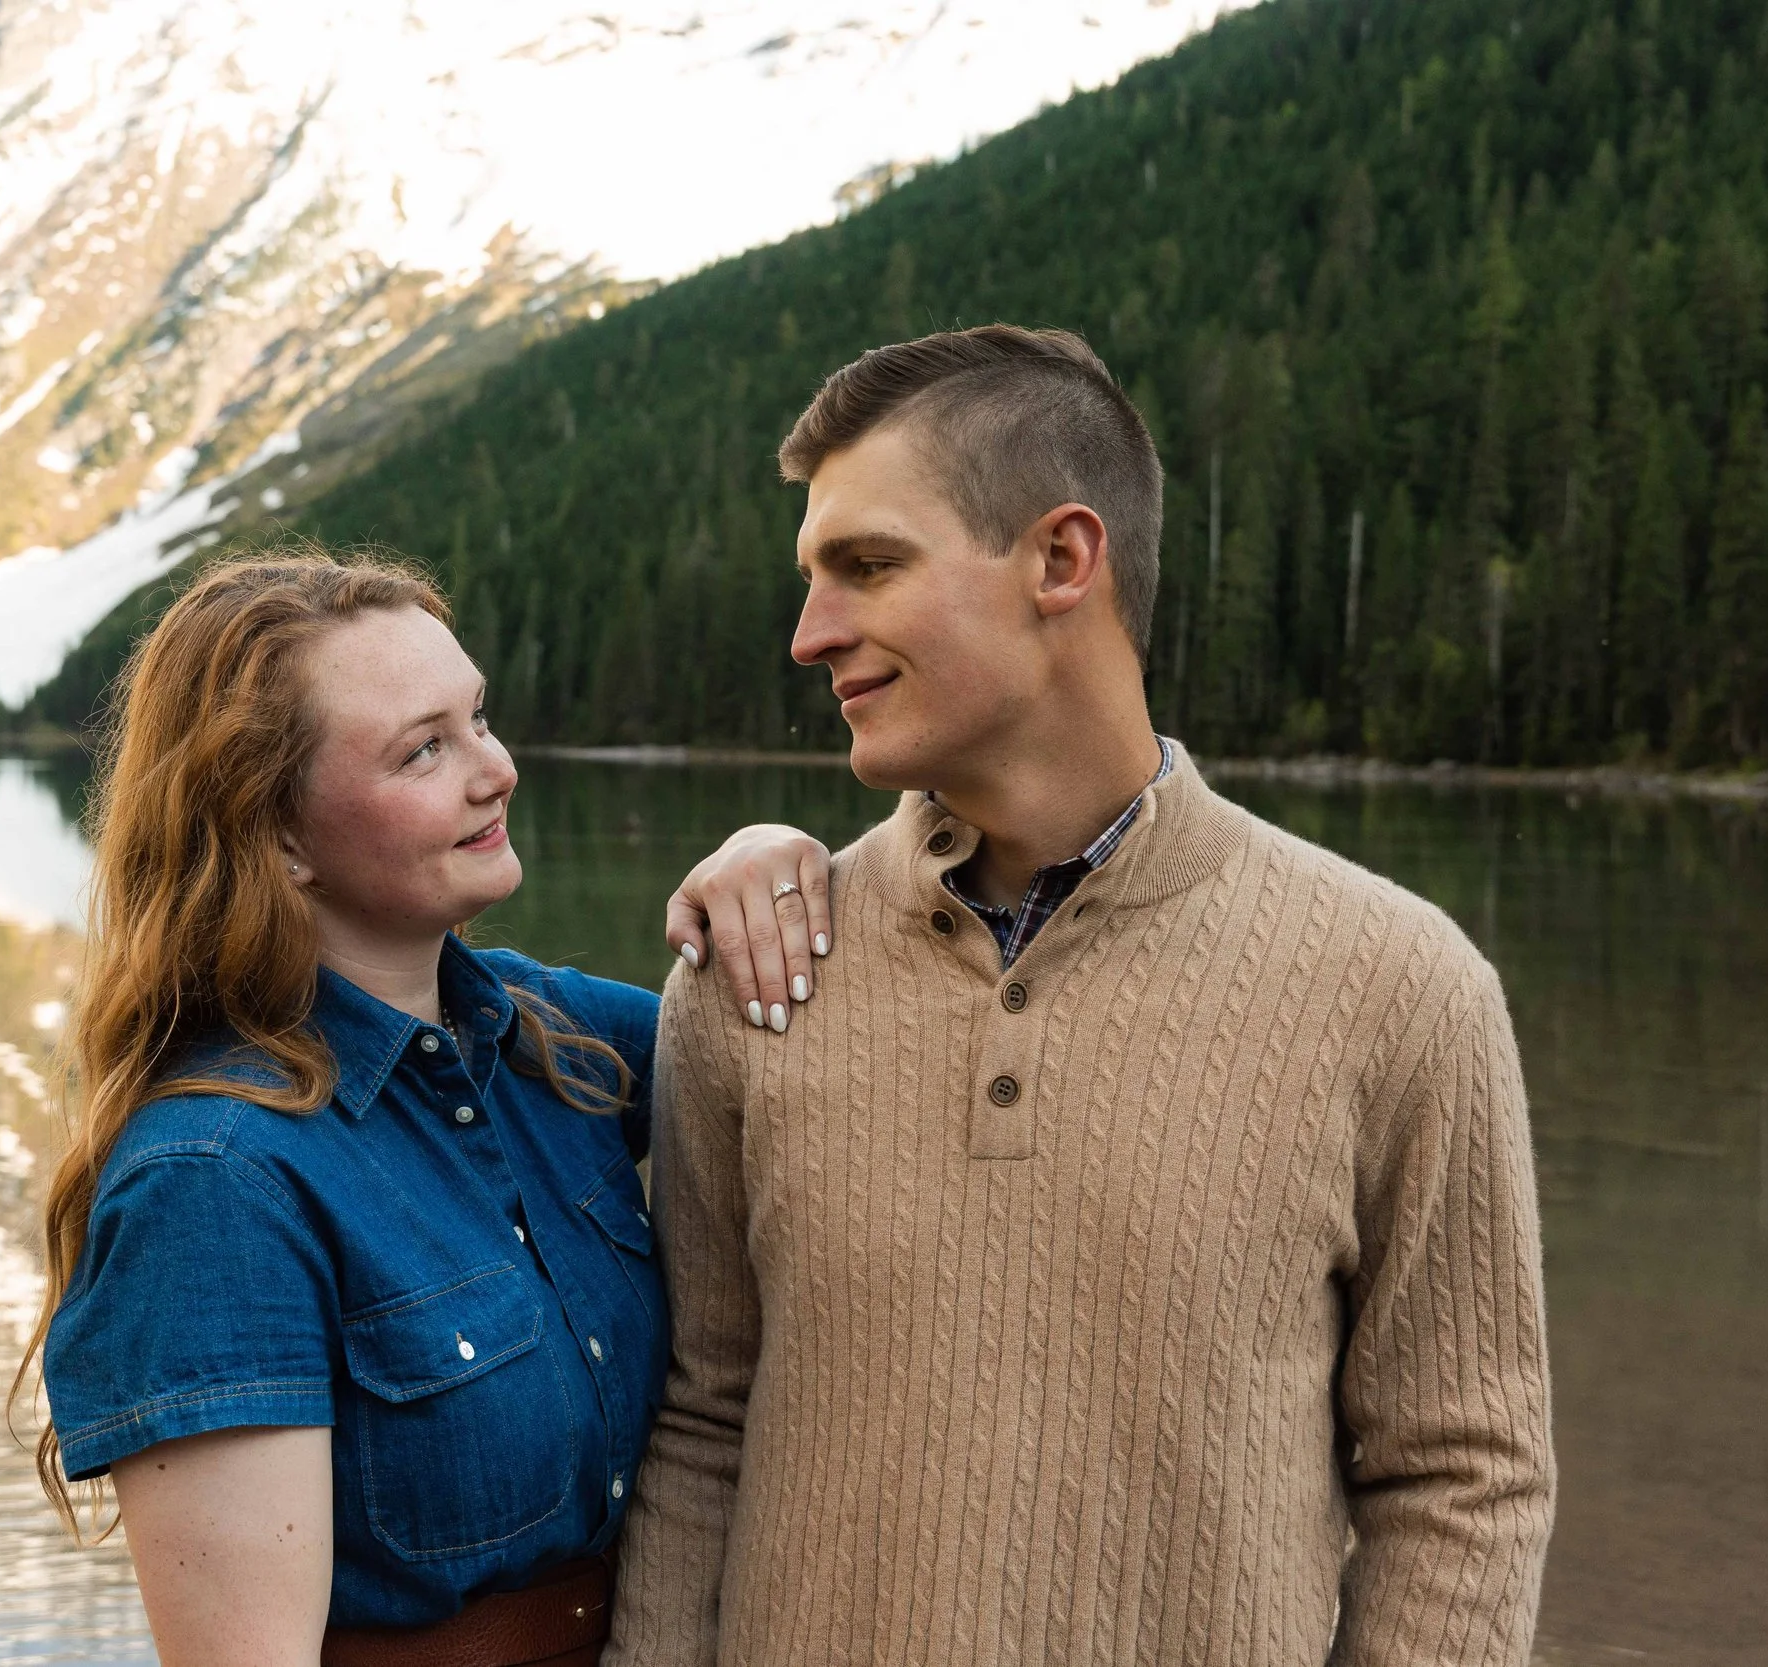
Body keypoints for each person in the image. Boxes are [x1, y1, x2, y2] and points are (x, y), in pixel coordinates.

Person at [617, 326, 1554, 1666]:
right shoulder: (760, 973)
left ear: (1063, 558)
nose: (810, 633)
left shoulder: (1402, 986)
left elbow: (1464, 1472)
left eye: (868, 565)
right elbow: (703, 1421)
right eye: (813, 577)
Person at [14, 550, 826, 1667]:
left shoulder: (552, 1036)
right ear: (281, 835)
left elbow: (811, 1067)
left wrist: (772, 859)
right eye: (424, 748)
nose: (495, 770)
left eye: (478, 717)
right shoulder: (211, 1182)